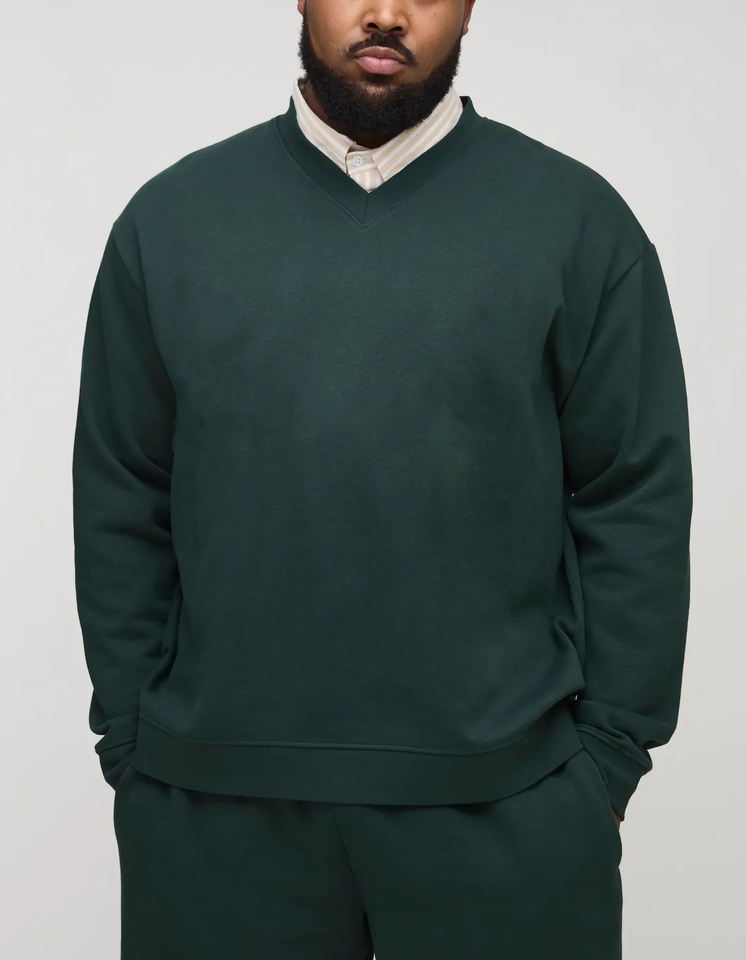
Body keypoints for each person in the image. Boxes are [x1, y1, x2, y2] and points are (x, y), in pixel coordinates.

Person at [71, 1, 693, 957]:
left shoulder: (576, 221)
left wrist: (607, 756)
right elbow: (122, 490)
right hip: (212, 818)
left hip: (508, 812)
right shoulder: (171, 221)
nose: (387, 14)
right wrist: (133, 743)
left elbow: (633, 493)